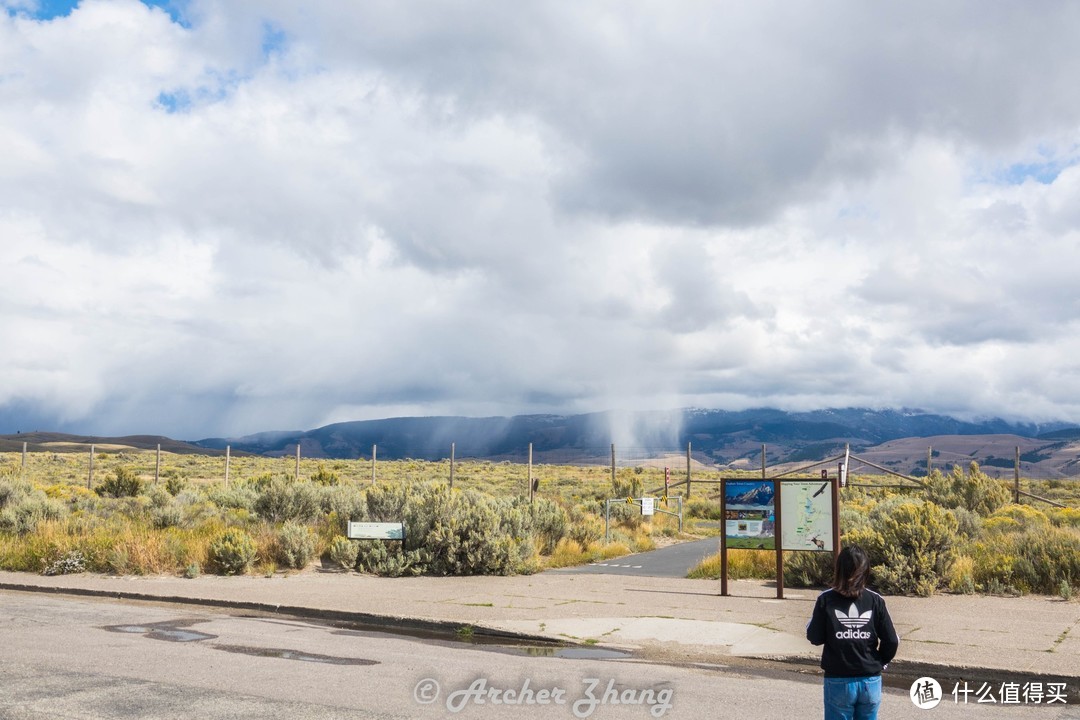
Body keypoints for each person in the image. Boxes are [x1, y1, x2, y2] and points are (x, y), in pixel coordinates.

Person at [806, 545, 899, 720]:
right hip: (870, 680)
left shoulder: (826, 599)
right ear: (866, 570)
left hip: (838, 679)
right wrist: (880, 661)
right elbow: (892, 640)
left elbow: (815, 637)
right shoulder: (875, 600)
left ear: (838, 569)